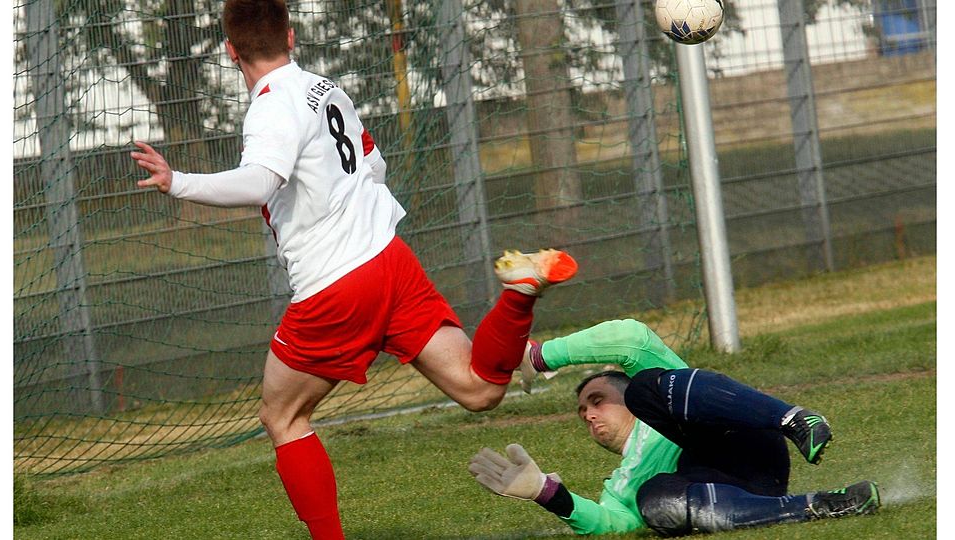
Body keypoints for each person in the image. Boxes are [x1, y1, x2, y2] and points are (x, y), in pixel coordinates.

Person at [129, 1, 577, 538]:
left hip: (335, 282)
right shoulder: (324, 87)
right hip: (391, 259)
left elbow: (259, 182)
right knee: (480, 389)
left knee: (283, 418)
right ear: (290, 36)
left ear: (231, 51)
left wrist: (178, 181)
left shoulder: (271, 105)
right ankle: (520, 296)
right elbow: (373, 161)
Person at [469, 319, 880, 536]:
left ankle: (795, 419)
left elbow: (628, 338)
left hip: (749, 441)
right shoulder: (624, 480)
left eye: (597, 400)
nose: (589, 414)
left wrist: (541, 356)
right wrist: (546, 493)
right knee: (654, 501)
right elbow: (615, 524)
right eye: (582, 412)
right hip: (734, 494)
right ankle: (821, 505)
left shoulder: (667, 392)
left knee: (649, 388)